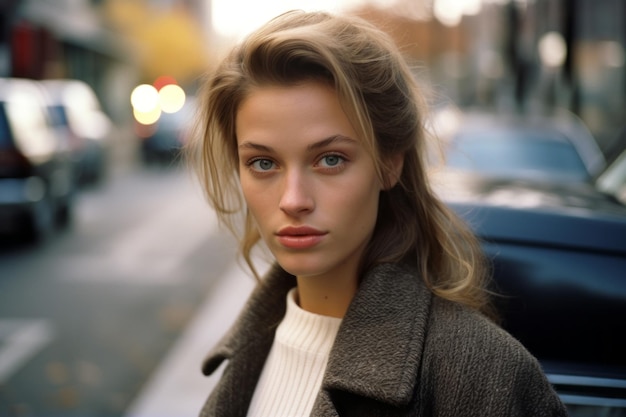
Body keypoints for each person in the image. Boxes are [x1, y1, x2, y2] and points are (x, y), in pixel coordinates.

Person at [187, 10, 568, 417]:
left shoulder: (484, 375)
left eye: (329, 159)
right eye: (263, 164)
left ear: (390, 163)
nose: (293, 200)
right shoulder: (247, 355)